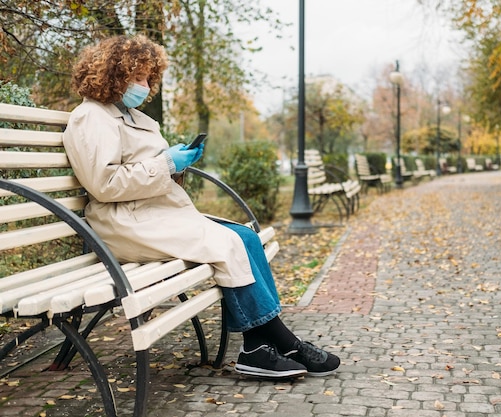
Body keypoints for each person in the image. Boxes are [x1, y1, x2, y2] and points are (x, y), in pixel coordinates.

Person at [62, 34, 340, 378]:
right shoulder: (90, 117)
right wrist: (166, 163)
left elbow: (147, 173)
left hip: (152, 214)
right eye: (138, 77)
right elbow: (103, 185)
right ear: (115, 73)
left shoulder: (134, 117)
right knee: (227, 243)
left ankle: (266, 344)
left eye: (149, 78)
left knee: (246, 237)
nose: (145, 85)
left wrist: (177, 165)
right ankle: (275, 345)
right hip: (121, 223)